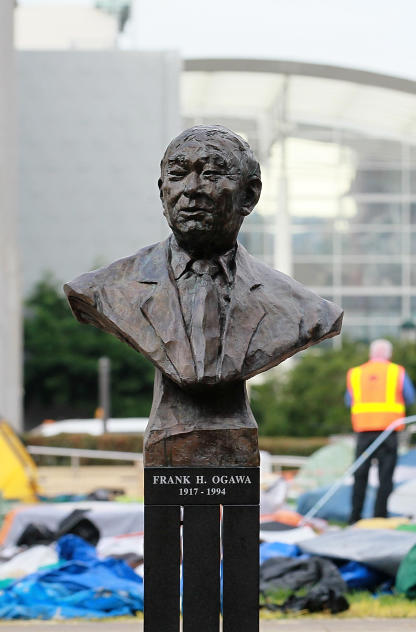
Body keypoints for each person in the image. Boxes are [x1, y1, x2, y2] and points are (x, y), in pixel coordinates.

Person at [64, 125, 343, 466]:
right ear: (162, 191)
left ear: (249, 195)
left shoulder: (303, 309)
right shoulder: (104, 289)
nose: (192, 190)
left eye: (211, 174)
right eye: (178, 175)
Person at [345, 339, 416, 524]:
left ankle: (355, 518)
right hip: (388, 432)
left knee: (360, 475)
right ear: (389, 354)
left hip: (364, 432)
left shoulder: (356, 373)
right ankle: (380, 517)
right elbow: (410, 397)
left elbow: (348, 401)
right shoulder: (397, 372)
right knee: (385, 478)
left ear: (370, 354)